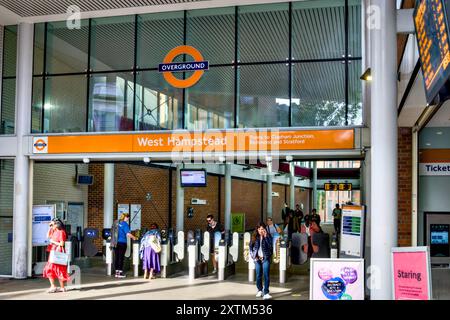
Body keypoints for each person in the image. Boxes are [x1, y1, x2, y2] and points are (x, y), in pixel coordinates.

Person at [43, 219, 69, 293]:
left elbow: (61, 244)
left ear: (57, 225)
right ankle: (54, 286)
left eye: (53, 225)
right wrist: (50, 227)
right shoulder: (54, 231)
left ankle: (61, 287)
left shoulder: (61, 232)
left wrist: (53, 241)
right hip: (53, 251)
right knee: (50, 268)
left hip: (58, 251)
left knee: (58, 269)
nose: (51, 226)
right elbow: (47, 236)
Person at [250, 222, 273, 300]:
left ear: (265, 229)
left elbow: (270, 247)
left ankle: (266, 292)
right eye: (259, 229)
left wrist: (266, 237)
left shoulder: (268, 236)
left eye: (262, 229)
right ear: (257, 229)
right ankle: (260, 290)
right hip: (257, 259)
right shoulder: (254, 236)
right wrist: (253, 257)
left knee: (266, 275)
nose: (261, 231)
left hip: (265, 258)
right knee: (258, 275)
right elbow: (251, 248)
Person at [114, 214, 137, 278]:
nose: (128, 219)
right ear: (125, 217)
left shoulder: (117, 223)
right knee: (121, 258)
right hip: (122, 243)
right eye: (128, 217)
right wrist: (134, 238)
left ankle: (116, 273)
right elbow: (128, 234)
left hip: (115, 243)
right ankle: (120, 273)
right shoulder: (125, 224)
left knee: (117, 257)